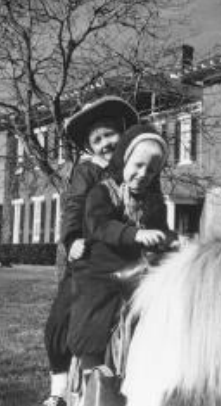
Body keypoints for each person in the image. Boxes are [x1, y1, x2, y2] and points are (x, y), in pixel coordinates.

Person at [43, 96, 138, 406]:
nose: (105, 143)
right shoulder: (88, 171)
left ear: (122, 134)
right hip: (89, 257)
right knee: (61, 319)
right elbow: (74, 206)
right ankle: (59, 391)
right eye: (97, 140)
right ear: (89, 147)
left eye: (110, 134)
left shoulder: (135, 170)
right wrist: (72, 238)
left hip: (125, 255)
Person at [67, 123, 174, 374]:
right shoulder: (103, 192)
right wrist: (135, 234)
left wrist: (172, 239)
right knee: (94, 312)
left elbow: (161, 228)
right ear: (124, 159)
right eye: (138, 165)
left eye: (151, 170)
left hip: (135, 266)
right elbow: (100, 225)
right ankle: (91, 367)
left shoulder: (152, 199)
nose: (143, 174)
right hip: (101, 265)